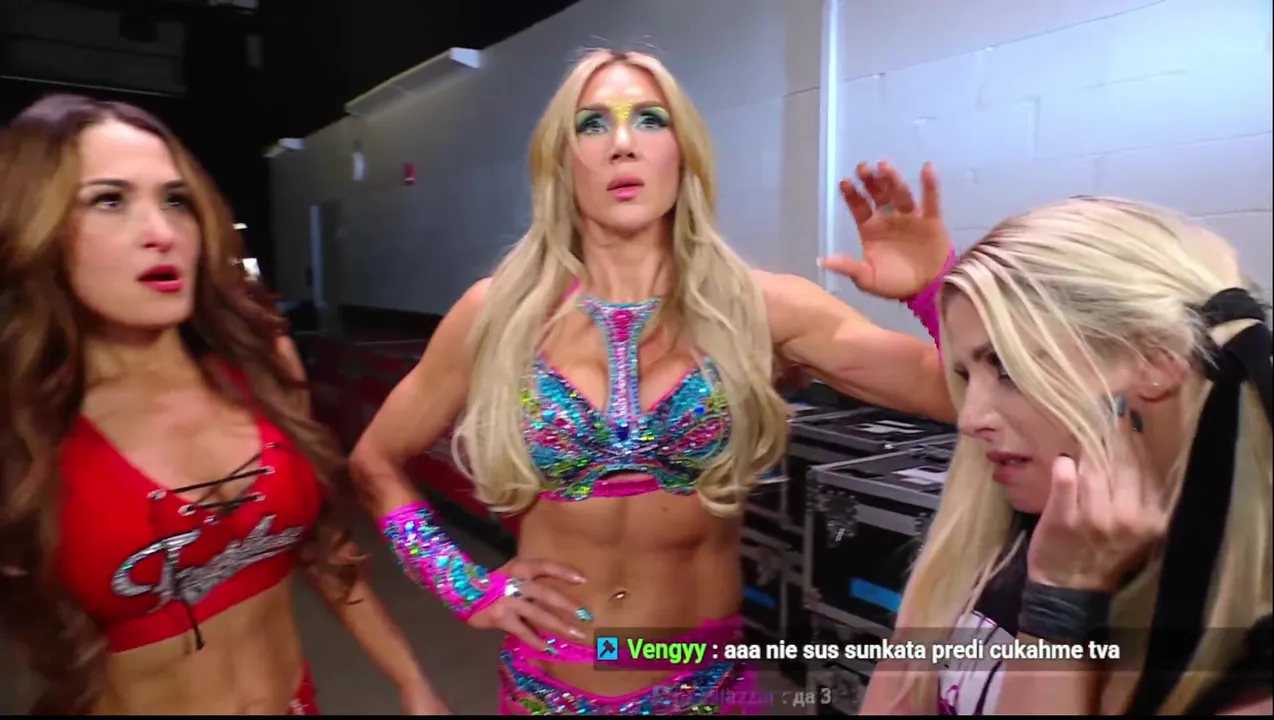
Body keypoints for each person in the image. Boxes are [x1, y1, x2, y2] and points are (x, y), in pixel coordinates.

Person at [350, 48, 957, 715]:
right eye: (592, 124)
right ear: (560, 160)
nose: (622, 144)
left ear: (683, 152)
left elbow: (954, 394)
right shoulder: (497, 315)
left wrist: (934, 291)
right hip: (543, 694)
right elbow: (375, 461)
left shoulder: (760, 309)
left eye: (649, 119)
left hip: (704, 694)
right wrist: (465, 587)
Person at [0, 95, 448, 715]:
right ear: (38, 225)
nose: (162, 234)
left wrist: (411, 681)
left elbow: (323, 553)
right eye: (109, 201)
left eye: (175, 201)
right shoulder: (23, 426)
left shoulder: (262, 369)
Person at [855, 193, 1273, 715]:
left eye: (1007, 369)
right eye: (967, 374)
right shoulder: (996, 526)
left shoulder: (1249, 663)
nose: (969, 418)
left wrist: (1062, 598)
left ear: (1156, 362)